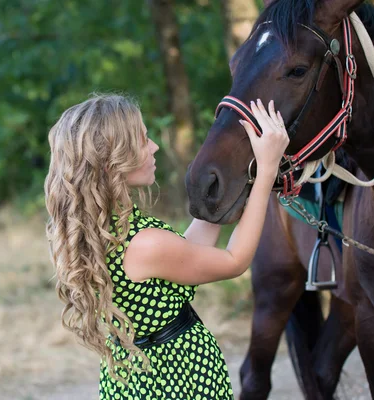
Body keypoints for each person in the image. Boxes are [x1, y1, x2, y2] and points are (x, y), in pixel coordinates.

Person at [44, 94, 289, 399]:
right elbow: (235, 260)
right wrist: (266, 171)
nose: (154, 147)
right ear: (112, 162)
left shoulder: (103, 231)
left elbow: (185, 255)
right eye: (144, 140)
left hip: (136, 375)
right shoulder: (144, 243)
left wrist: (238, 174)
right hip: (176, 375)